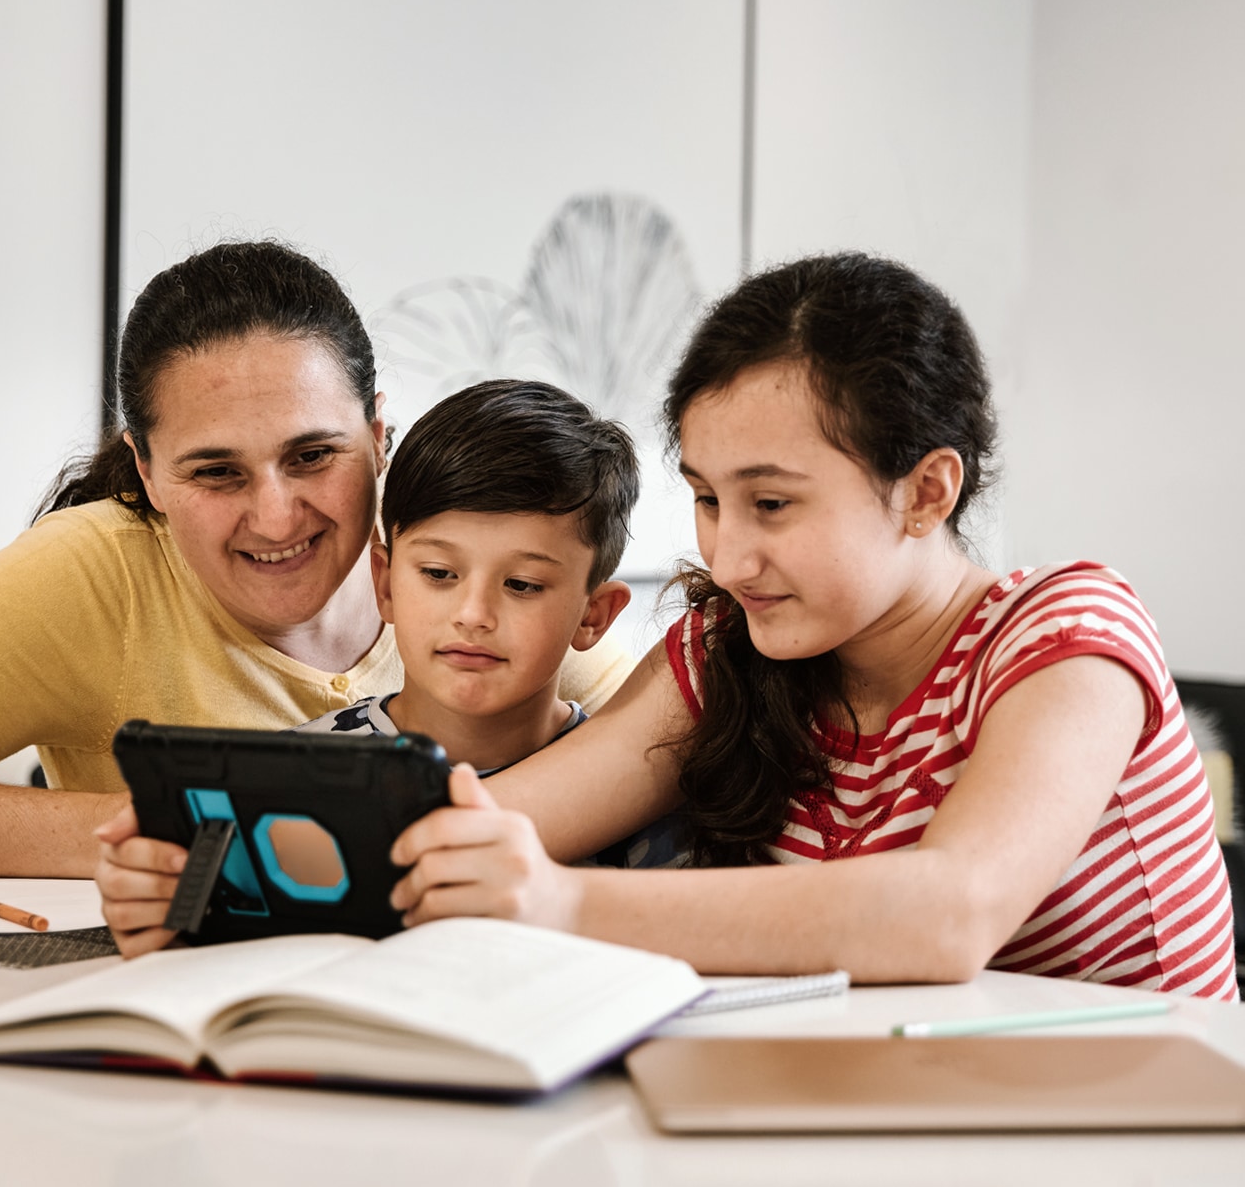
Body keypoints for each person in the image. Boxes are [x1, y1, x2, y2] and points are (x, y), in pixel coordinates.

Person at [370, 253, 1235, 996]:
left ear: (928, 492)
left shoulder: (1065, 633)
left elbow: (948, 913)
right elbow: (476, 823)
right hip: (889, 1128)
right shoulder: (728, 650)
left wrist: (560, 904)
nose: (731, 556)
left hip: (1144, 1146)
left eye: (772, 503)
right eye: (709, 500)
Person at [0, 242, 632, 875]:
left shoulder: (467, 567)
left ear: (377, 434)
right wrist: (181, 830)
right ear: (145, 468)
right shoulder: (91, 574)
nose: (276, 514)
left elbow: (659, 723)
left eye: (313, 455)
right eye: (216, 472)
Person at [295, 378, 637, 772]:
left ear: (593, 615)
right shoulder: (282, 777)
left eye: (521, 584)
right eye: (439, 574)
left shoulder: (640, 793)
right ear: (386, 586)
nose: (473, 615)